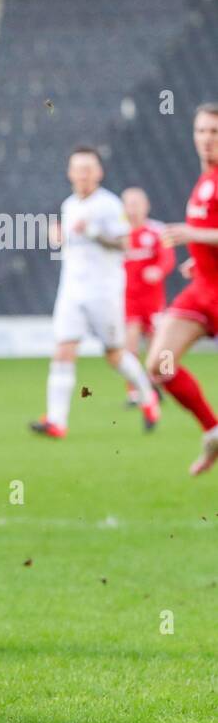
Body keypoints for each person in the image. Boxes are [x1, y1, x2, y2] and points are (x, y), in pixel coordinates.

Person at [30, 146, 159, 438]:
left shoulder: (110, 205)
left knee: (115, 355)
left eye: (89, 168)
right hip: (72, 290)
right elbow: (72, 244)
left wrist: (92, 232)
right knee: (63, 349)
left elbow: (124, 244)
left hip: (104, 291)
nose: (83, 175)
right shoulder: (68, 205)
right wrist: (59, 238)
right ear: (70, 173)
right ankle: (57, 421)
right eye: (78, 168)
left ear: (99, 172)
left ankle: (147, 396)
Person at [147, 103, 218, 474]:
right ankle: (214, 432)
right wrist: (200, 257)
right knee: (160, 364)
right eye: (201, 131)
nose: (206, 140)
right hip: (204, 290)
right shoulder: (205, 179)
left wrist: (194, 235)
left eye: (214, 133)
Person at [120, 187, 172, 406]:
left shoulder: (158, 231)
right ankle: (135, 392)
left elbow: (168, 258)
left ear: (146, 206)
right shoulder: (118, 234)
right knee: (130, 346)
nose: (133, 209)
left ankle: (158, 386)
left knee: (158, 347)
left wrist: (158, 270)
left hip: (152, 300)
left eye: (137, 203)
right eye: (128, 204)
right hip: (128, 299)